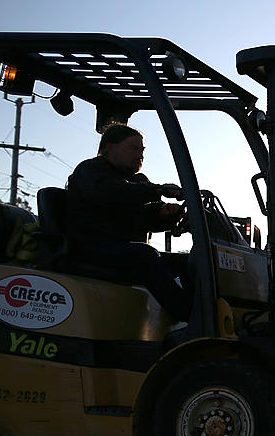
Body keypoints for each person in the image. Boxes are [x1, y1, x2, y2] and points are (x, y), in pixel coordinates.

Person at [65, 124, 190, 323]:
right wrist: (156, 190)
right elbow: (109, 193)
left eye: (142, 150)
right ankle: (189, 316)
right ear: (110, 147)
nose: (140, 155)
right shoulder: (90, 171)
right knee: (145, 254)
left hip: (123, 252)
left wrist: (165, 215)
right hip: (90, 248)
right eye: (133, 148)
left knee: (190, 261)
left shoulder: (137, 181)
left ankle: (203, 312)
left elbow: (144, 218)